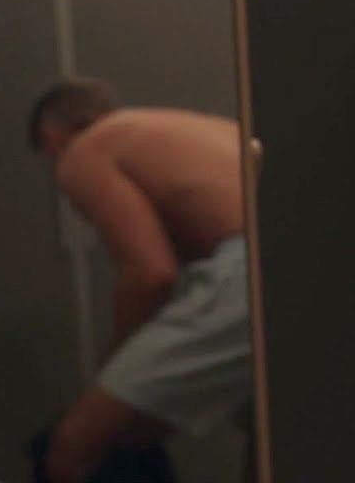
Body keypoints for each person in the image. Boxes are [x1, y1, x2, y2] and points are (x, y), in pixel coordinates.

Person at [25, 79, 260, 483]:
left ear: (54, 137)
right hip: (305, 264)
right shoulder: (194, 131)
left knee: (74, 443)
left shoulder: (86, 150)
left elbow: (151, 275)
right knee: (271, 440)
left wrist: (110, 377)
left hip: (248, 268)